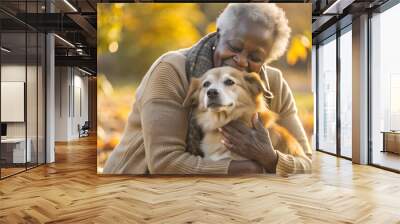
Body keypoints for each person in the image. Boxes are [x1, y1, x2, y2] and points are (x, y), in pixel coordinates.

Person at [103, 3, 312, 175]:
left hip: (221, 194)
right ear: (219, 34)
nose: (240, 60)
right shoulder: (171, 70)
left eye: (255, 58)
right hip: (137, 184)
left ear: (267, 59)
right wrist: (249, 167)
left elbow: (308, 162)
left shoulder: (272, 84)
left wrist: (270, 157)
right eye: (234, 47)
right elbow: (165, 162)